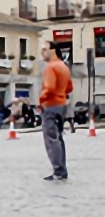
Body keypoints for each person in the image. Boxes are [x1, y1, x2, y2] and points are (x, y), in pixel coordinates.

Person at [39, 41, 73, 181]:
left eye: (44, 49)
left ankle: (58, 170)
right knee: (58, 138)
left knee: (51, 138)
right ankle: (62, 169)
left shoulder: (50, 68)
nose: (42, 53)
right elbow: (69, 88)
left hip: (51, 105)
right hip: (62, 104)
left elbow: (50, 87)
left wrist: (41, 99)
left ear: (53, 50)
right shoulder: (64, 66)